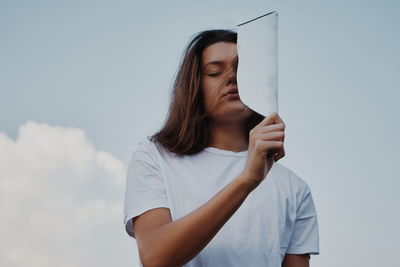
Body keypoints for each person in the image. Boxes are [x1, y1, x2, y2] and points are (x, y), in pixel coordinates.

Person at [123, 29, 320, 267]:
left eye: (241, 68)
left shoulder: (294, 188)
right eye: (214, 71)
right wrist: (247, 179)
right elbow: (156, 257)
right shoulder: (154, 157)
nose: (232, 77)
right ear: (195, 85)